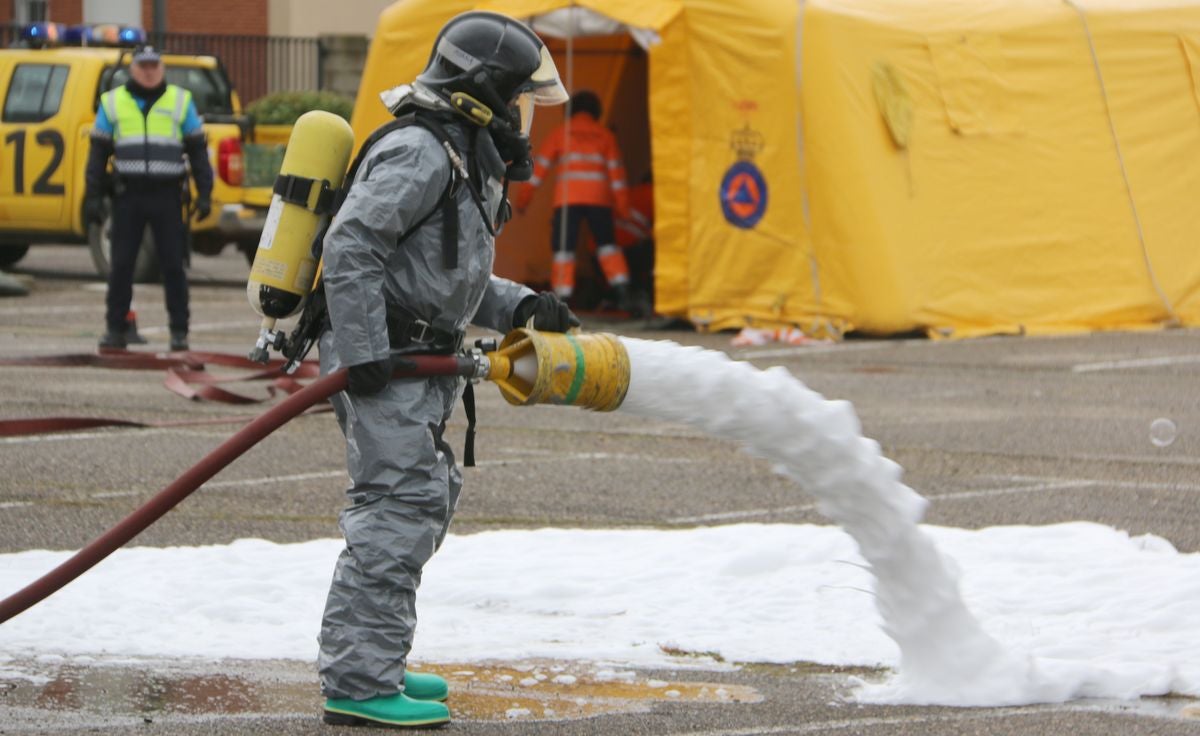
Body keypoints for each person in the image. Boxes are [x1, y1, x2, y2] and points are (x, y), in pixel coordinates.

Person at [316, 11, 577, 729]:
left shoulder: (459, 155)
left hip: (411, 356)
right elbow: (352, 248)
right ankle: (359, 685)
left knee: (421, 500)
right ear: (483, 91)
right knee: (395, 509)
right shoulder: (422, 152)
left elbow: (441, 275)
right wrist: (366, 351)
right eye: (517, 97)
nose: (523, 116)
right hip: (384, 356)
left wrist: (523, 305)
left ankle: (378, 660)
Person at [85, 44, 212, 352]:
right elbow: (97, 156)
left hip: (167, 196)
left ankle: (179, 332)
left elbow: (197, 151)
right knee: (121, 266)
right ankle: (115, 329)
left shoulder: (180, 101)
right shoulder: (112, 103)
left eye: (154, 65)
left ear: (162, 68)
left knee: (173, 266)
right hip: (127, 196)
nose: (149, 70)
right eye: (143, 65)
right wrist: (93, 198)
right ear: (133, 69)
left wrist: (205, 193)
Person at [513, 89, 636, 313]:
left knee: (563, 249)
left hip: (567, 201)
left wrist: (523, 200)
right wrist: (623, 208)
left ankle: (563, 297)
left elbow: (538, 170)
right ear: (596, 111)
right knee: (607, 247)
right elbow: (617, 176)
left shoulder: (561, 134)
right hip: (600, 202)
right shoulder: (605, 136)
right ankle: (622, 292)